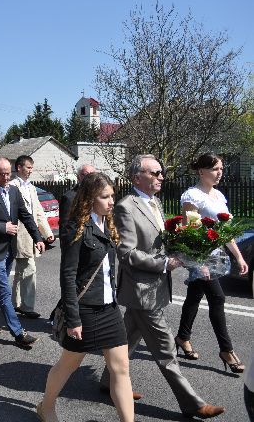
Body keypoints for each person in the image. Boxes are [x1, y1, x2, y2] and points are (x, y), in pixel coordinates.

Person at [99, 154, 224, 419]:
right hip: (142, 289)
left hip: (153, 286)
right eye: (154, 173)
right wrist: (164, 263)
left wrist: (190, 254)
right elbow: (127, 253)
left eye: (161, 173)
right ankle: (193, 404)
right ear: (137, 178)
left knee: (127, 338)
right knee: (166, 350)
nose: (161, 177)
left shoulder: (154, 201)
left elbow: (159, 242)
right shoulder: (126, 206)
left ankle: (108, 382)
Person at [38, 173, 133, 422]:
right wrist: (73, 318)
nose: (111, 201)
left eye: (113, 195)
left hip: (109, 309)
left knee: (121, 368)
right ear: (90, 199)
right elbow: (67, 276)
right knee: (68, 365)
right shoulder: (76, 228)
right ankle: (46, 406)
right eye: (105, 197)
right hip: (85, 310)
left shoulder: (107, 223)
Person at [175, 152, 248, 373]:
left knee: (195, 296)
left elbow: (225, 231)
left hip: (216, 255)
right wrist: (199, 263)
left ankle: (182, 337)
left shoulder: (219, 197)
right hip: (199, 256)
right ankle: (226, 350)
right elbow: (191, 232)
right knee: (218, 297)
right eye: (216, 169)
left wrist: (239, 256)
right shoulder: (192, 196)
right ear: (202, 171)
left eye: (221, 169)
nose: (220, 173)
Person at [0, 157, 44, 349]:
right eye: (1, 174)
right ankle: (18, 333)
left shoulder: (14, 191)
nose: (6, 177)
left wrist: (38, 237)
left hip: (9, 249)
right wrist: (2, 228)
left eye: (8, 173)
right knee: (4, 291)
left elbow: (26, 216)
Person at [8, 155, 54, 318]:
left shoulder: (31, 187)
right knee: (28, 269)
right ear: (19, 167)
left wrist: (47, 233)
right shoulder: (11, 186)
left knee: (23, 270)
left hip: (31, 235)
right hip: (18, 234)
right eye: (28, 167)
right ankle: (26, 306)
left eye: (32, 168)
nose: (30, 171)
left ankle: (16, 304)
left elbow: (39, 213)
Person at [59, 164, 96, 246]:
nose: (89, 177)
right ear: (78, 177)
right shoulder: (70, 198)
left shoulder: (98, 195)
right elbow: (65, 228)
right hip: (79, 246)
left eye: (92, 174)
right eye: (85, 174)